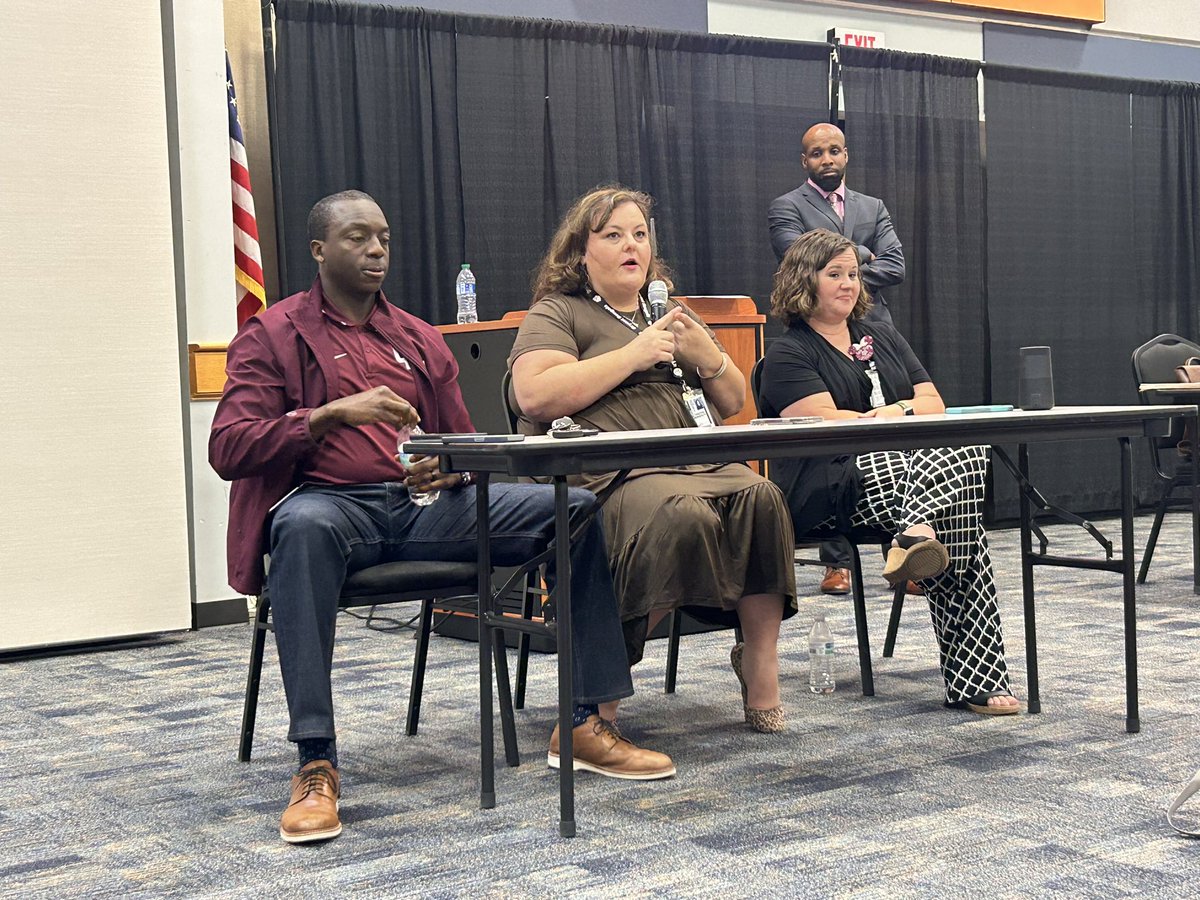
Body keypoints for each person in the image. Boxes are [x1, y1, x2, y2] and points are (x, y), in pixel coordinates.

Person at [210, 190, 675, 846]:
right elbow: (229, 446)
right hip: (330, 506)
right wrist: (327, 416)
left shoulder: (415, 338)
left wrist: (448, 466)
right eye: (356, 238)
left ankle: (584, 723)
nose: (375, 251)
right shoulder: (275, 334)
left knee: (572, 508)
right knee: (302, 528)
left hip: (421, 507)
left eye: (383, 238)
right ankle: (316, 761)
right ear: (319, 250)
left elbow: (466, 443)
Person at [508, 186, 798, 734]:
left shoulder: (666, 312)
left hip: (692, 460)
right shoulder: (558, 312)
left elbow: (735, 401)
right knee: (678, 514)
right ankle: (599, 701)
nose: (630, 246)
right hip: (610, 473)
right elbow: (535, 396)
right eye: (613, 235)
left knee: (762, 498)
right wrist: (633, 355)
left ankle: (759, 667)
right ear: (580, 251)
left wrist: (706, 356)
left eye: (639, 234)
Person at [757, 228, 1020, 716]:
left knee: (962, 478)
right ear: (802, 281)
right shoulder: (788, 353)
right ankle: (977, 680)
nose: (848, 284)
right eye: (834, 274)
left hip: (906, 481)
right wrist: (904, 413)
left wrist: (894, 412)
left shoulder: (882, 336)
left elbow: (934, 404)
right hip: (830, 485)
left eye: (853, 274)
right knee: (961, 487)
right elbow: (833, 427)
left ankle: (915, 534)